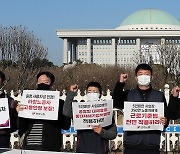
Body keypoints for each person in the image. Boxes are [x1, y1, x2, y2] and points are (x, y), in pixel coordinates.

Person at [112, 63, 168, 154]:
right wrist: (121, 82)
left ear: (151, 77)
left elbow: (166, 116)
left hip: (152, 145)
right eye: (140, 74)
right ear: (136, 77)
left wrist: (165, 121)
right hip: (131, 144)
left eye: (146, 74)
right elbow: (115, 101)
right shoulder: (128, 94)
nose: (143, 76)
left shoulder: (159, 95)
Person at [17, 71, 71, 152]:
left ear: (51, 85)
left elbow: (66, 125)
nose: (42, 84)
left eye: (46, 82)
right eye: (40, 81)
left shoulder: (59, 103)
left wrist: (56, 111)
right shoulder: (27, 101)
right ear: (36, 83)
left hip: (50, 146)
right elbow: (21, 128)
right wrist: (20, 114)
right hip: (30, 146)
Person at [63, 81, 117, 154]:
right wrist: (71, 93)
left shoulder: (106, 111)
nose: (92, 94)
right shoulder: (80, 109)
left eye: (95, 92)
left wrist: (102, 132)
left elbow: (113, 134)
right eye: (89, 91)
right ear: (86, 94)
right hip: (82, 149)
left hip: (100, 150)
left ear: (100, 94)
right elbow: (66, 112)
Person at [0, 71, 18, 148]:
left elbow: (15, 124)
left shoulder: (10, 101)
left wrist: (4, 130)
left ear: (2, 82)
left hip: (2, 141)